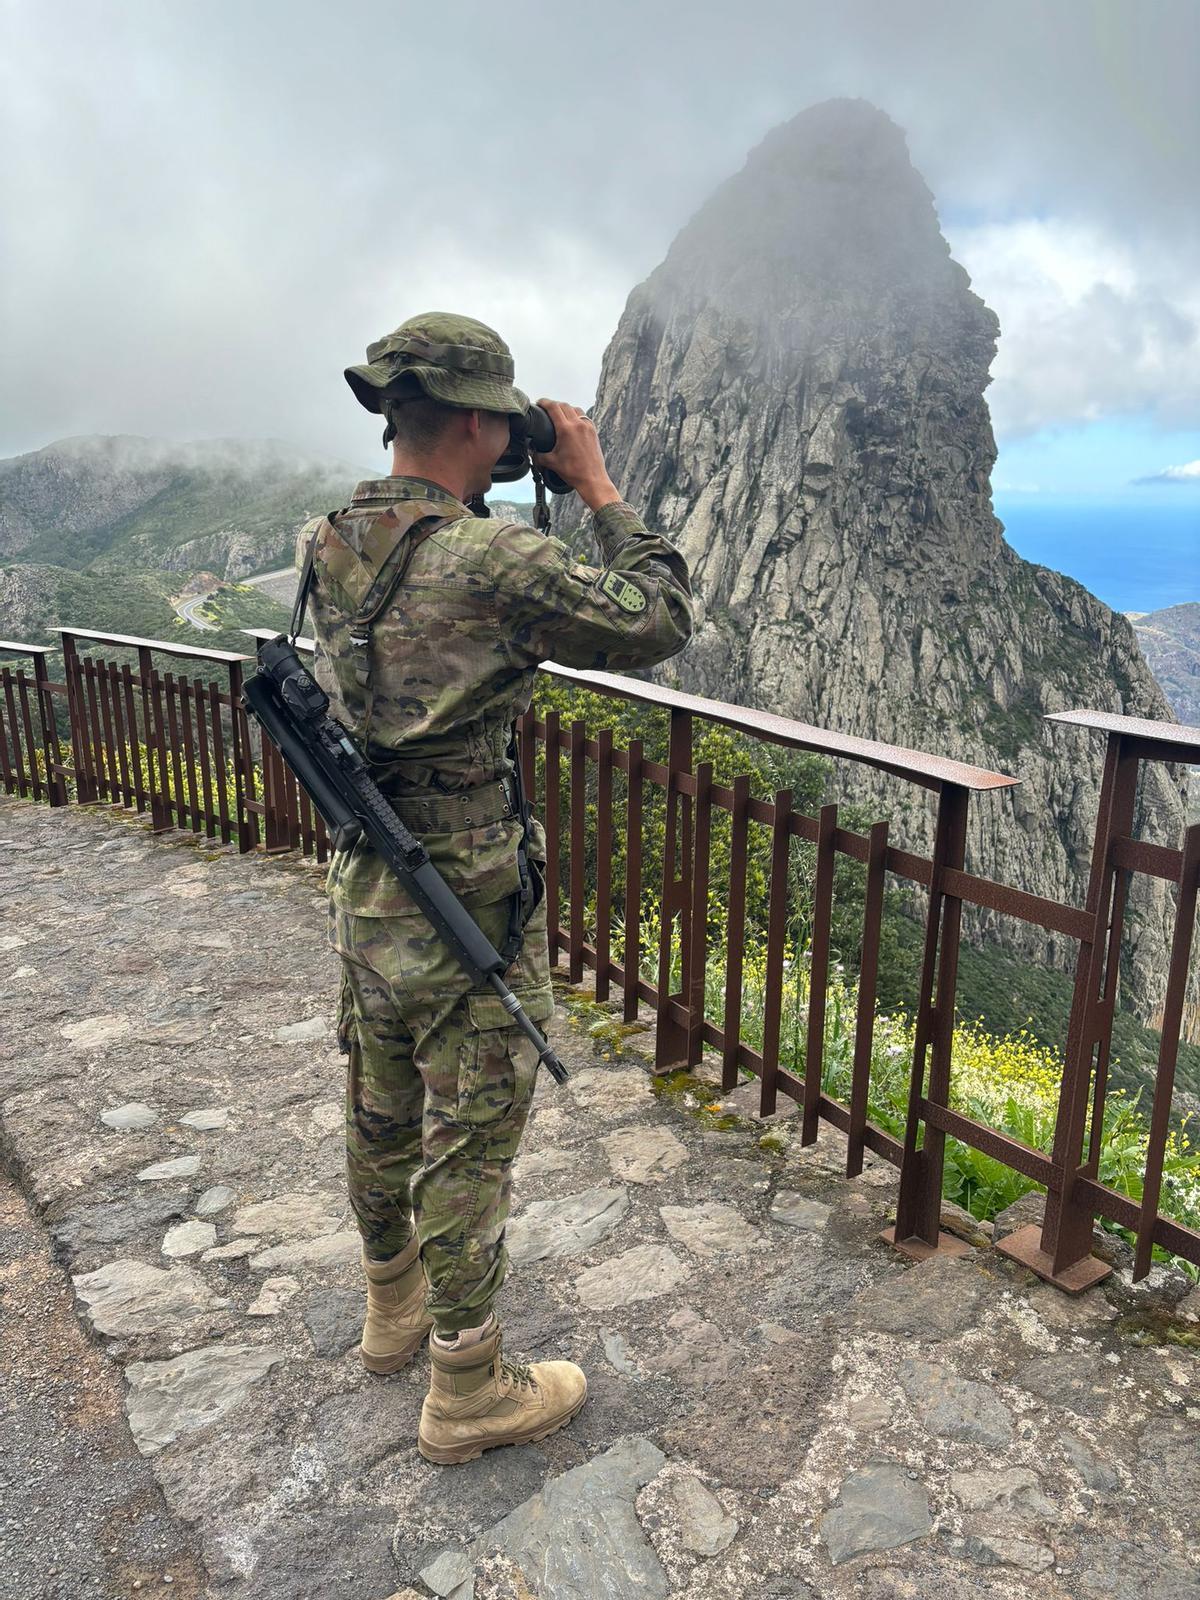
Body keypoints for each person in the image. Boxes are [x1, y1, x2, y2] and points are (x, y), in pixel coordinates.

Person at [300, 311, 693, 1465]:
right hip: (466, 896)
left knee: (379, 1108)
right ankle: (468, 1388)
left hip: (370, 881)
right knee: (469, 1137)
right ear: (480, 422)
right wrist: (598, 488)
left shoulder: (330, 539)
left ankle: (393, 1310)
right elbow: (659, 618)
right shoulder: (492, 562)